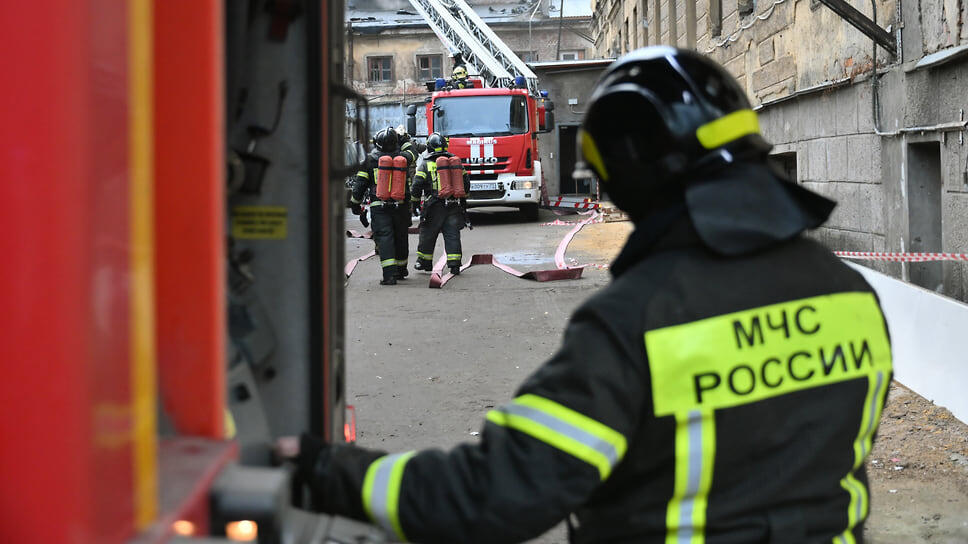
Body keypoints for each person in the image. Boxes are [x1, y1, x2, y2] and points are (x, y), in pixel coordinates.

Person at [286, 47, 893, 543]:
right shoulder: (850, 293)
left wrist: (326, 470)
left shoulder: (633, 323)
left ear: (630, 179)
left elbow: (492, 495)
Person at [350, 127, 414, 285]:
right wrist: (404, 139)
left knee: (385, 237)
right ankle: (401, 269)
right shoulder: (403, 158)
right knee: (401, 236)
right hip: (401, 204)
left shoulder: (370, 160)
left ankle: (389, 275)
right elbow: (413, 151)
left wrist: (355, 205)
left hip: (380, 206)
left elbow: (360, 185)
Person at [410, 133, 469, 275]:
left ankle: (424, 262)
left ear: (429, 147)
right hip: (453, 204)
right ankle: (454, 264)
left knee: (428, 233)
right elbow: (466, 183)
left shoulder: (426, 164)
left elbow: (417, 185)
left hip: (434, 206)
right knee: (452, 234)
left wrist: (415, 203)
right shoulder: (455, 162)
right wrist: (463, 201)